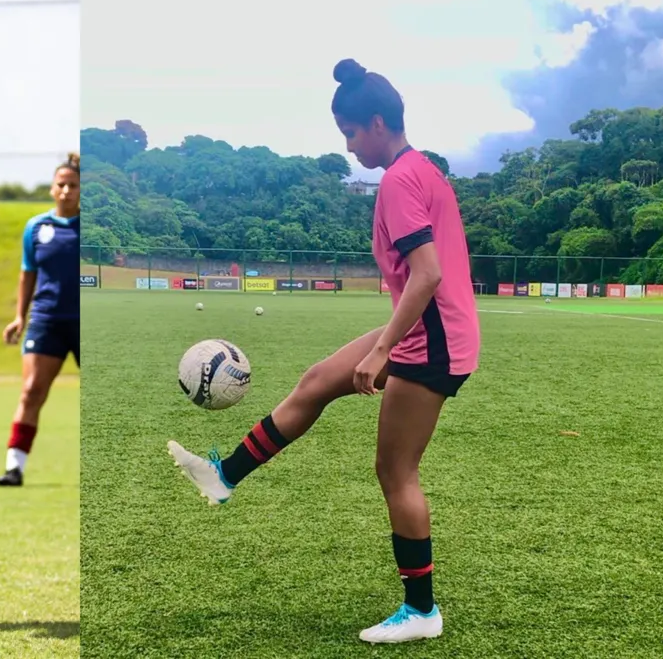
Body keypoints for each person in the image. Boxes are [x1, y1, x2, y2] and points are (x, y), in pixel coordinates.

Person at [167, 58, 480, 645]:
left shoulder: (400, 180)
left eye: (351, 133)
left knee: (395, 470)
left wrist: (384, 347)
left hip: (432, 340)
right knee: (317, 381)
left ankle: (422, 611)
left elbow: (429, 273)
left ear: (379, 123)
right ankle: (223, 476)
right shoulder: (422, 171)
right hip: (425, 329)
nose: (350, 145)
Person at [0, 153, 80, 487]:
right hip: (47, 320)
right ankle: (14, 466)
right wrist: (19, 316)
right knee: (31, 391)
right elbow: (27, 274)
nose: (66, 190)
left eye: (73, 185)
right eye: (61, 184)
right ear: (51, 188)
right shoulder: (36, 228)